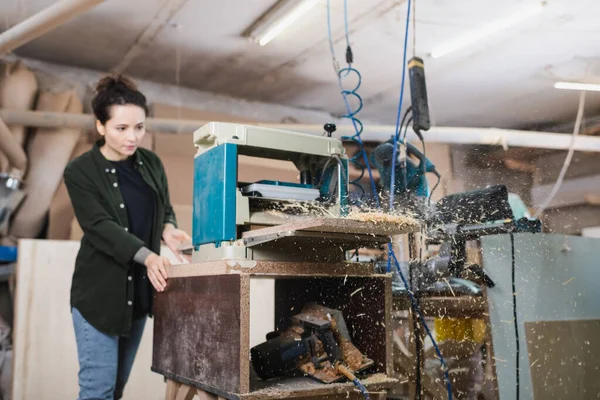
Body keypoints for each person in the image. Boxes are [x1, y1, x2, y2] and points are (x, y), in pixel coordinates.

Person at [64, 75, 191, 400]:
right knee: (98, 392)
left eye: (139, 127)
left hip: (137, 298)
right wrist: (149, 256)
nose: (132, 137)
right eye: (122, 128)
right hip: (99, 299)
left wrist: (168, 230)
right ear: (100, 126)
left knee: (115, 391)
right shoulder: (80, 171)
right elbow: (100, 226)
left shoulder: (151, 163)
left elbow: (163, 207)